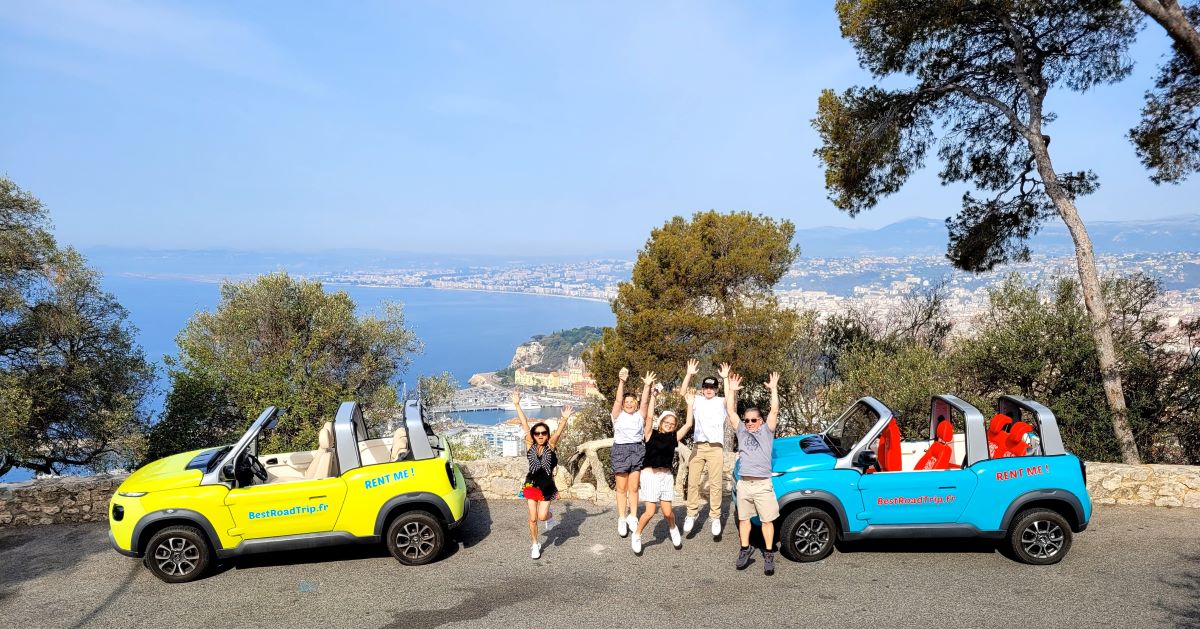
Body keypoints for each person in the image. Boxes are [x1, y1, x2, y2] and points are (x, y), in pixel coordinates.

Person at [725, 370, 781, 576]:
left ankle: (768, 553)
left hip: (763, 484)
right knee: (744, 519)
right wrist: (732, 390)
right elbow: (730, 412)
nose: (749, 423)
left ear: (761, 421)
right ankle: (744, 548)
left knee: (767, 521)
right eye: (747, 420)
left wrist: (773, 389)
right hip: (745, 484)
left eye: (753, 420)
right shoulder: (741, 431)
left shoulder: (767, 432)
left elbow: (774, 410)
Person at [631, 385, 694, 555]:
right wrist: (653, 397)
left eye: (672, 424)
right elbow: (649, 416)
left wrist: (690, 404)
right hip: (650, 476)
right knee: (650, 512)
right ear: (661, 422)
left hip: (666, 476)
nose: (669, 425)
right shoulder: (650, 434)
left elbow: (688, 424)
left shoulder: (673, 437)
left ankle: (673, 528)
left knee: (667, 512)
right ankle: (637, 535)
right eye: (667, 422)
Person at [513, 388, 572, 560]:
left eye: (543, 433)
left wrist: (564, 418)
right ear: (534, 435)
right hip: (531, 484)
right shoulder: (529, 444)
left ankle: (550, 516)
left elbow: (559, 431)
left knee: (542, 516)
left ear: (547, 435)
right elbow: (524, 422)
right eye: (537, 433)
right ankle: (534, 544)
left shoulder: (551, 446)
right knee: (532, 518)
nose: (540, 435)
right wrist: (517, 404)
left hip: (547, 486)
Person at [678, 359, 729, 539]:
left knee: (715, 484)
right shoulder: (697, 400)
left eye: (712, 387)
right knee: (692, 482)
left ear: (716, 389)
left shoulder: (721, 401)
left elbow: (730, 399)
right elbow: (683, 392)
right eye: (706, 387)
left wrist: (726, 378)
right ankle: (691, 514)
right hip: (698, 446)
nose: (709, 390)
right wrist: (689, 374)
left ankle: (715, 517)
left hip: (715, 447)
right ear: (702, 388)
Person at [611, 367, 654, 538]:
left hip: (637, 449)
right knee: (621, 488)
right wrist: (622, 381)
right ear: (623, 404)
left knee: (634, 488)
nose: (629, 404)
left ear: (635, 403)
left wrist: (647, 386)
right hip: (620, 450)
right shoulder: (617, 415)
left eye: (632, 401)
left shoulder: (639, 415)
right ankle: (622, 518)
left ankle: (633, 516)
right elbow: (617, 400)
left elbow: (645, 403)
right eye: (626, 402)